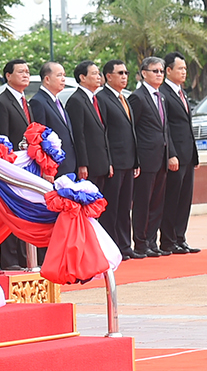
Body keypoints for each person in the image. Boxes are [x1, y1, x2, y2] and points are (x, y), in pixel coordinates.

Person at [128, 57, 177, 258]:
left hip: (161, 157)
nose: (159, 74)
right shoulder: (137, 97)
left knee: (157, 202)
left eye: (161, 71)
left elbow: (165, 129)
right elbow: (133, 131)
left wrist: (171, 154)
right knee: (143, 203)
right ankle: (140, 243)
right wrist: (136, 159)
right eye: (155, 71)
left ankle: (151, 241)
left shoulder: (161, 97)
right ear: (143, 74)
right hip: (146, 159)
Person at [0, 58, 34, 270]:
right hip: (11, 166)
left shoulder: (26, 101)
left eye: (27, 71)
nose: (26, 75)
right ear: (8, 75)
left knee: (25, 210)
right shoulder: (1, 102)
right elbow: (4, 136)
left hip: (27, 166)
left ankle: (26, 256)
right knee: (10, 210)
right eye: (21, 72)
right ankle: (10, 259)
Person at [97, 60, 140, 258]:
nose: (124, 76)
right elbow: (103, 133)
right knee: (111, 208)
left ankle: (125, 246)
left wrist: (136, 161)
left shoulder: (126, 98)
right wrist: (108, 162)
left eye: (126, 72)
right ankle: (112, 247)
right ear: (108, 76)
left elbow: (131, 132)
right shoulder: (102, 98)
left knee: (124, 208)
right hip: (113, 162)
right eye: (120, 73)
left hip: (129, 162)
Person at [158, 53, 200, 254]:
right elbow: (166, 127)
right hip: (174, 156)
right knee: (172, 199)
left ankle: (180, 238)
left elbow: (187, 126)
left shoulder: (182, 93)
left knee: (185, 199)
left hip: (188, 155)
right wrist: (171, 154)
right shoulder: (163, 93)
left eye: (185, 69)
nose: (184, 72)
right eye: (180, 69)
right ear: (168, 70)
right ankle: (168, 240)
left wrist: (195, 154)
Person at [28, 62, 78, 177]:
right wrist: (47, 168)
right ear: (47, 79)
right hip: (54, 168)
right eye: (59, 75)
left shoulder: (56, 100)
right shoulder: (38, 101)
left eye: (64, 75)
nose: (63, 79)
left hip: (68, 164)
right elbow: (40, 138)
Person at [70, 60, 111, 188]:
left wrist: (108, 162)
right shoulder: (76, 100)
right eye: (94, 74)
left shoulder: (95, 99)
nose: (99, 77)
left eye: (99, 74)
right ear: (82, 77)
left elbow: (103, 131)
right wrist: (83, 164)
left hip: (102, 163)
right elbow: (78, 134)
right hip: (89, 166)